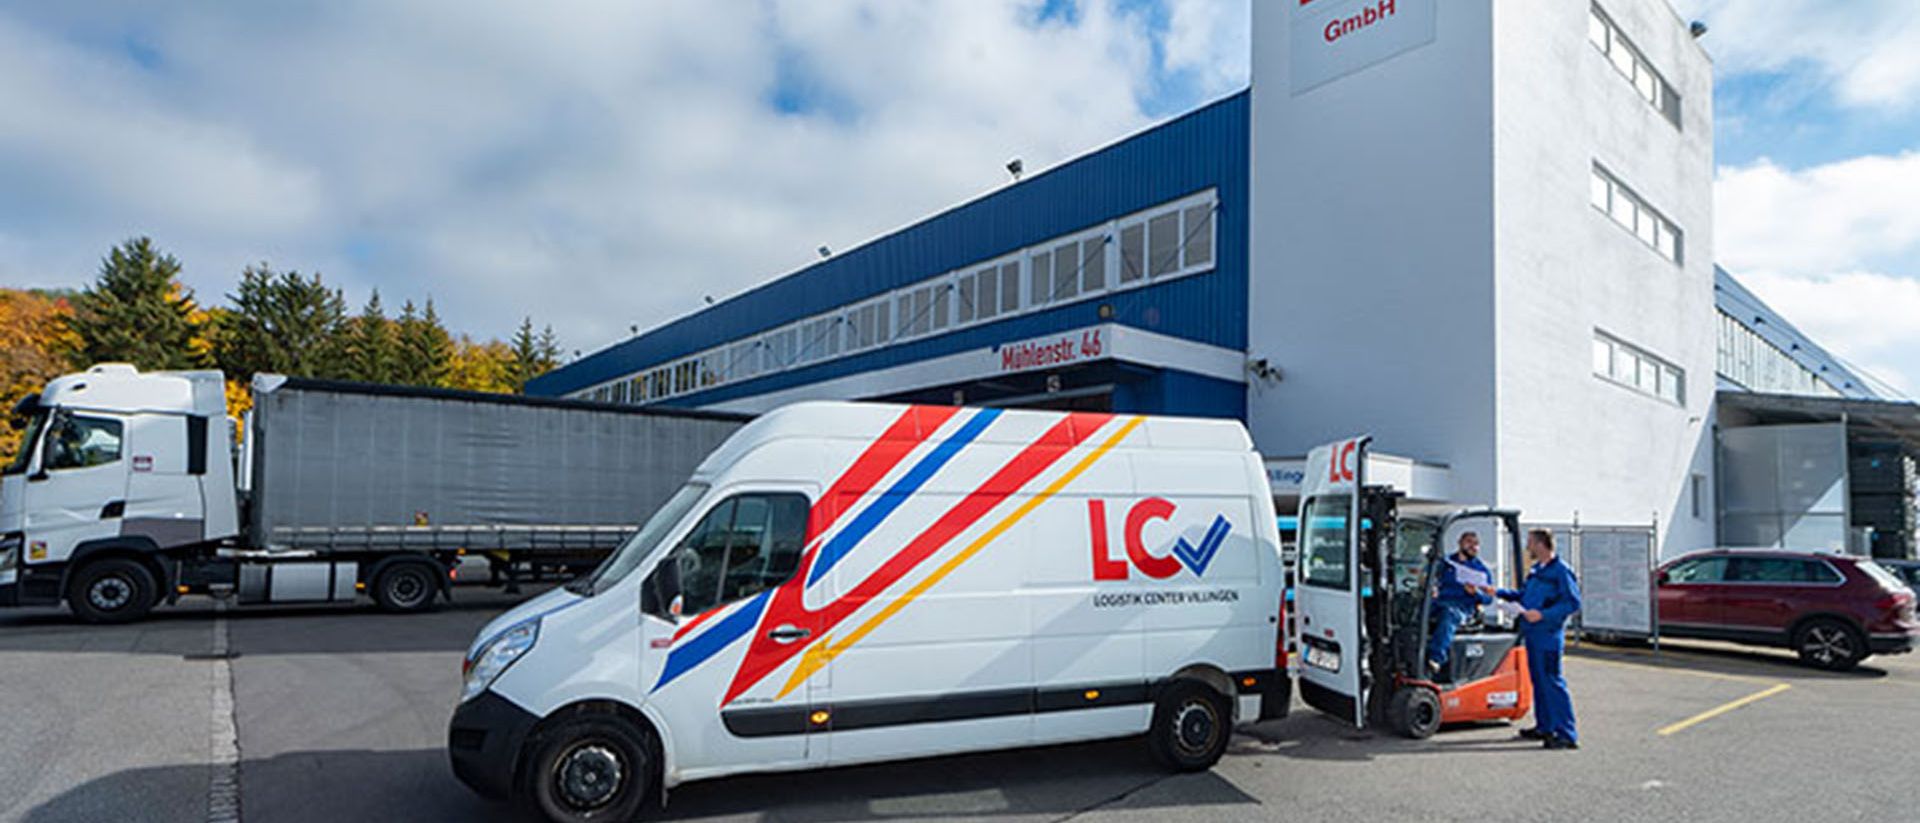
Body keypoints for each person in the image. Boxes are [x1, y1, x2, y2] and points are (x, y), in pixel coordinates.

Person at [1477, 529, 1582, 750]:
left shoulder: (1561, 571)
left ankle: (1566, 733)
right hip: (1532, 635)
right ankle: (1545, 726)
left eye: (1531, 543)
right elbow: (1523, 596)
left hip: (1548, 636)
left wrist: (1543, 615)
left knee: (1552, 682)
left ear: (1541, 544)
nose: (1528, 547)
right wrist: (1497, 592)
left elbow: (1572, 603)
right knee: (1539, 682)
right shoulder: (1537, 570)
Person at [1427, 531, 1493, 680]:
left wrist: (1475, 593)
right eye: (1469, 542)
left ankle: (1436, 658)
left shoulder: (1480, 570)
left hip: (1463, 607)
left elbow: (1488, 599)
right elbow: (1429, 578)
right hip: (1439, 602)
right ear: (1460, 542)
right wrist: (1431, 588)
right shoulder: (1446, 563)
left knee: (1449, 615)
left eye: (1476, 544)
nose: (1473, 547)